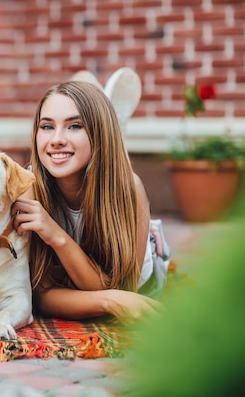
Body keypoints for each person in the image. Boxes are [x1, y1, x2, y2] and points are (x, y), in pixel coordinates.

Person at [12, 81, 170, 323]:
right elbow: (41, 297)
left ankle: (151, 233)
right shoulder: (29, 188)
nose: (56, 139)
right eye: (47, 126)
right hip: (85, 283)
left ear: (99, 133)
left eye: (75, 126)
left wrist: (57, 235)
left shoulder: (129, 188)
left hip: (139, 279)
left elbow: (123, 290)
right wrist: (111, 299)